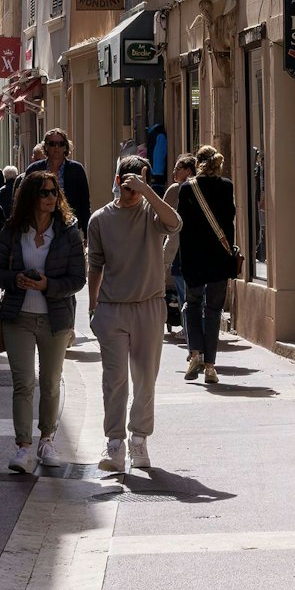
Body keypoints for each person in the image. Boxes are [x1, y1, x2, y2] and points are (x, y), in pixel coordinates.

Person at [86, 155, 182, 472]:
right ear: (117, 182)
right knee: (114, 380)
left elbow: (175, 223)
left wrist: (148, 191)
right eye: (128, 184)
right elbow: (95, 266)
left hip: (149, 306)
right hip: (113, 309)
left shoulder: (152, 216)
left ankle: (138, 438)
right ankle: (114, 442)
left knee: (145, 379)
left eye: (137, 183)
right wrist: (92, 306)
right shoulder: (100, 220)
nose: (132, 191)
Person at [0, 170, 86, 474]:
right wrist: (15, 279)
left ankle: (47, 440)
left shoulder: (69, 232)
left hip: (55, 317)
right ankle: (23, 447)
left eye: (53, 192)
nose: (50, 198)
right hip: (18, 316)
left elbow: (78, 279)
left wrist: (48, 285)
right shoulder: (12, 230)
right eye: (44, 192)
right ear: (31, 196)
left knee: (50, 382)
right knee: (23, 383)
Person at [171, 147, 239, 384]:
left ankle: (195, 354)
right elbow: (229, 218)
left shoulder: (188, 188)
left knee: (192, 304)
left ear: (197, 163)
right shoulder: (226, 186)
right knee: (213, 310)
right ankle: (210, 366)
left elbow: (181, 223)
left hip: (194, 258)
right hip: (219, 257)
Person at [26, 128, 93, 224]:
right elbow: (25, 199)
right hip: (39, 224)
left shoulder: (76, 170)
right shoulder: (34, 170)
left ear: (65, 147)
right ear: (46, 147)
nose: (56, 147)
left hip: (68, 224)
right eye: (52, 144)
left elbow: (84, 203)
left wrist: (85, 231)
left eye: (60, 144)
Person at [164, 153, 199, 335]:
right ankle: (196, 330)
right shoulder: (202, 188)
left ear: (187, 170)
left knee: (183, 291)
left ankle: (188, 329)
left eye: (177, 168)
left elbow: (161, 217)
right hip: (199, 248)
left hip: (181, 248)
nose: (173, 172)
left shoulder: (176, 190)